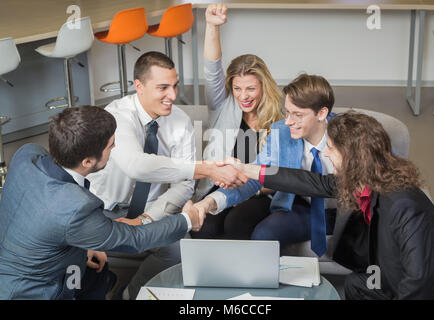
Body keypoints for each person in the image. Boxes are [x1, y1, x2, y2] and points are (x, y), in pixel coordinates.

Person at [230, 111, 434, 299]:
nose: (325, 153)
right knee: (357, 284)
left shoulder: (404, 205)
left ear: (353, 157)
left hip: (429, 291)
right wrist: (249, 170)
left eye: (332, 149)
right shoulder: (365, 179)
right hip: (387, 276)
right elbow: (306, 181)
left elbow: (420, 281)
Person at [86, 51, 247, 300]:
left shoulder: (180, 121)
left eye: (175, 86)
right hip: (103, 210)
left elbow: (184, 186)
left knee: (180, 251)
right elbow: (137, 166)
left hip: (150, 209)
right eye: (163, 87)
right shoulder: (116, 116)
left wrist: (146, 219)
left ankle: (130, 295)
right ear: (139, 86)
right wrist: (206, 167)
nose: (173, 96)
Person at [0, 106, 201, 300]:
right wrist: (187, 220)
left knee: (97, 271)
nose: (114, 147)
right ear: (87, 161)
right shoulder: (75, 207)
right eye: (110, 145)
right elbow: (134, 239)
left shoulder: (27, 154)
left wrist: (82, 246)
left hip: (20, 258)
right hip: (33, 290)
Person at [192, 74, 337, 256]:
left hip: (339, 212)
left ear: (322, 113)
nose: (288, 121)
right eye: (287, 112)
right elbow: (253, 178)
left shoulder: (347, 134)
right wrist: (207, 202)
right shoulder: (281, 133)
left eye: (298, 115)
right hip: (301, 207)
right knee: (264, 234)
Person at [191, 3, 284, 239]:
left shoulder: (280, 118)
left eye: (251, 88)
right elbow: (212, 70)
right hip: (218, 186)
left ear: (264, 87)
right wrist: (212, 26)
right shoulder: (223, 105)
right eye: (237, 88)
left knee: (237, 223)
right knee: (205, 229)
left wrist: (246, 188)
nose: (244, 96)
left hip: (260, 192)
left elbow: (281, 175)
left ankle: (239, 275)